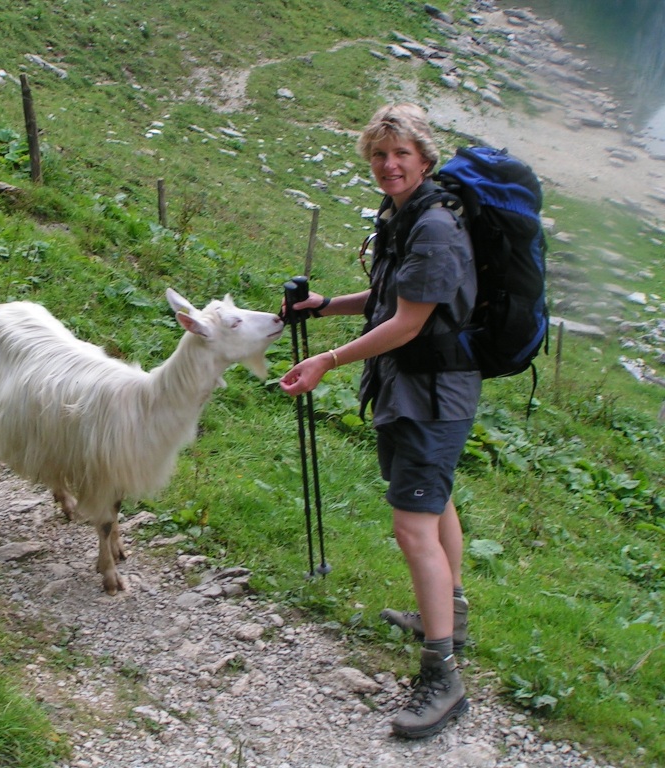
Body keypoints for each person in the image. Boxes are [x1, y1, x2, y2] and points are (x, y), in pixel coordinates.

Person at [279, 103, 479, 739]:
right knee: (434, 504)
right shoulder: (405, 215)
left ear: (425, 158)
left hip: (432, 394)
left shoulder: (435, 226)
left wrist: (327, 359)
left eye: (401, 154)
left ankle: (443, 678)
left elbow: (409, 322)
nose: (389, 165)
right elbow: (394, 295)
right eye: (379, 155)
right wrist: (325, 306)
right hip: (410, 386)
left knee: (412, 525)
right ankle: (450, 616)